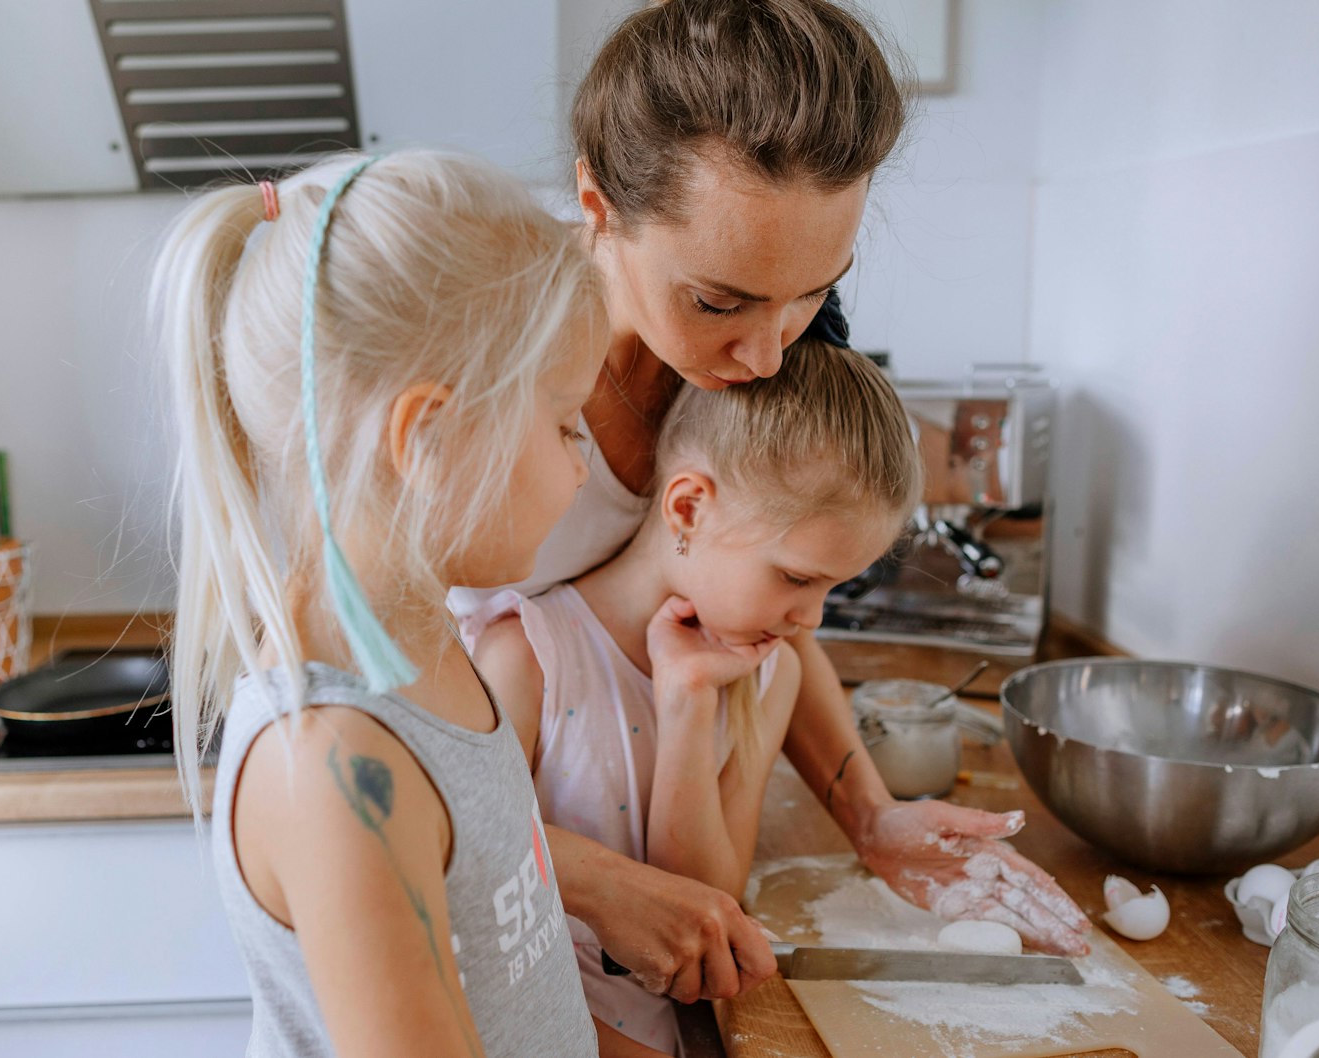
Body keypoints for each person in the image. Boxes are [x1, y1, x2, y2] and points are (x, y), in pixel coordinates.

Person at [454, 0, 1093, 979]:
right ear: (596, 205)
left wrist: (870, 815)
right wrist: (591, 881)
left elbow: (769, 612)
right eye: (719, 301)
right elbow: (368, 743)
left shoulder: (774, 336)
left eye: (813, 290)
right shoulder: (476, 369)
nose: (765, 354)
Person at [159, 150, 657, 1057]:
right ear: (427, 437)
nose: (583, 465)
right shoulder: (335, 769)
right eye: (562, 425)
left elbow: (523, 1000)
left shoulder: (427, 642)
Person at [475, 340, 923, 1053]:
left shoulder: (769, 675)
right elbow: (480, 888)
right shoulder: (528, 659)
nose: (811, 620)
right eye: (797, 578)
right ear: (688, 507)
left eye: (832, 589)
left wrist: (686, 703)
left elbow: (704, 906)